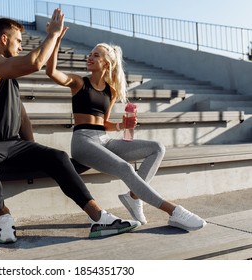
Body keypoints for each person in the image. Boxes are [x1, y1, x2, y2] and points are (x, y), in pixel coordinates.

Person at [0, 9, 140, 244]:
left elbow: (22, 116)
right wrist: (53, 35)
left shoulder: (8, 77)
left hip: (13, 145)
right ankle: (4, 216)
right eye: (18, 41)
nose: (21, 46)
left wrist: (33, 151)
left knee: (58, 157)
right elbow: (35, 63)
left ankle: (99, 217)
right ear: (4, 39)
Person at [45, 28, 206, 231]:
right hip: (83, 141)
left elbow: (104, 123)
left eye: (96, 55)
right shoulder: (79, 83)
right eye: (90, 54)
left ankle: (133, 197)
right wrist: (56, 39)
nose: (90, 57)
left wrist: (122, 126)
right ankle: (173, 211)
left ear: (106, 63)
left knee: (157, 148)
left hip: (104, 140)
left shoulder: (110, 91)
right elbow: (51, 72)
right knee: (126, 168)